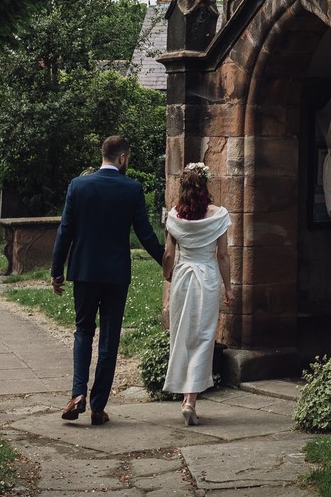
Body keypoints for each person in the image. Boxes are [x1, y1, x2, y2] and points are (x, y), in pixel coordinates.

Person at [50, 134, 165, 425]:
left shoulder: (78, 186)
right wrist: (166, 261)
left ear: (104, 155)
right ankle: (98, 406)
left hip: (84, 271)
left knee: (83, 331)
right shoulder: (132, 188)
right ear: (123, 158)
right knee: (109, 339)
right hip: (115, 274)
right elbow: (145, 233)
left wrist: (56, 271)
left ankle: (77, 394)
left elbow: (65, 231)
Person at [163, 162, 231, 428]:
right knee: (204, 337)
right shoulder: (219, 215)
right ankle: (191, 399)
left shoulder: (174, 217)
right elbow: (222, 255)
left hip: (182, 277)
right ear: (206, 187)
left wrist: (168, 276)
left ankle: (184, 397)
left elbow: (169, 255)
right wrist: (230, 287)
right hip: (207, 278)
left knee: (181, 335)